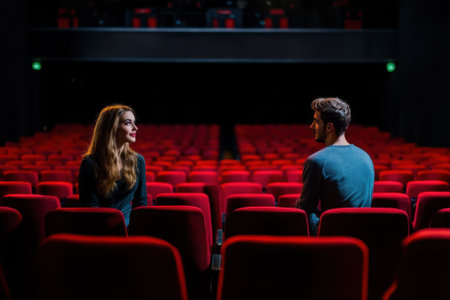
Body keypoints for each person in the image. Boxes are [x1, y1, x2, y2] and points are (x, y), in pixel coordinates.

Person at [295, 97, 374, 235]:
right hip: (363, 235)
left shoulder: (316, 161)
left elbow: (303, 211)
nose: (312, 126)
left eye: (316, 121)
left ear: (329, 126)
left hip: (331, 237)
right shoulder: (366, 158)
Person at [78, 104, 147, 227]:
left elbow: (140, 202)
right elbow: (89, 207)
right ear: (112, 128)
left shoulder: (138, 161)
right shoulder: (89, 162)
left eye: (134, 123)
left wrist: (137, 229)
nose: (135, 128)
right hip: (99, 227)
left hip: (130, 227)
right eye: (127, 123)